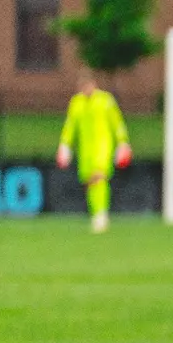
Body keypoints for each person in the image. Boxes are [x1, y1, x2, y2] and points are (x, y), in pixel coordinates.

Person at [56, 70, 132, 233]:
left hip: (103, 146)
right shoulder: (77, 103)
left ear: (94, 84)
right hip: (85, 149)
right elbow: (70, 125)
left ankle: (101, 214)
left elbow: (116, 122)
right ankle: (96, 212)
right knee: (90, 182)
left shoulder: (105, 101)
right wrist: (65, 145)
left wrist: (122, 142)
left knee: (99, 178)